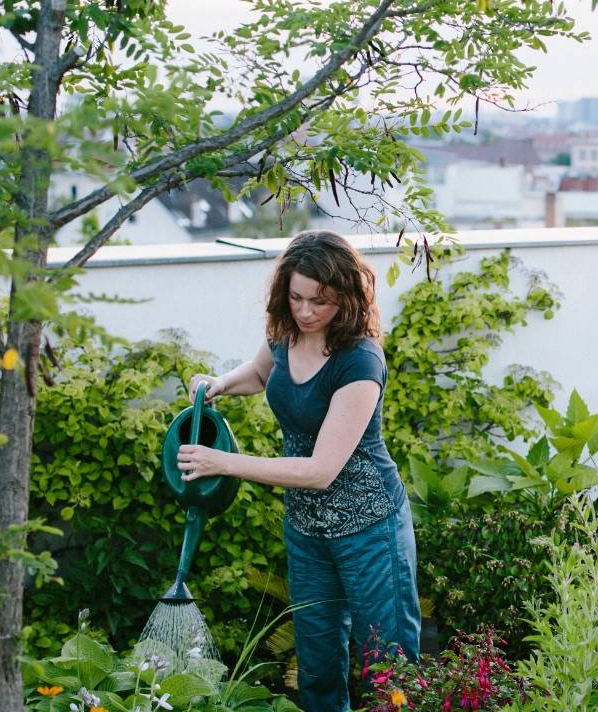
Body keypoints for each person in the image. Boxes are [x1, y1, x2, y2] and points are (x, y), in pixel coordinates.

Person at [177, 230, 420, 711]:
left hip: (370, 529)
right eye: (296, 297)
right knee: (317, 668)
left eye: (320, 301)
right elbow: (262, 373)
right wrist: (220, 383)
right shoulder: (285, 332)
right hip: (308, 531)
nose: (306, 311)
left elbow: (320, 470)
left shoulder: (359, 361)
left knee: (389, 669)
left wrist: (223, 463)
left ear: (347, 298)